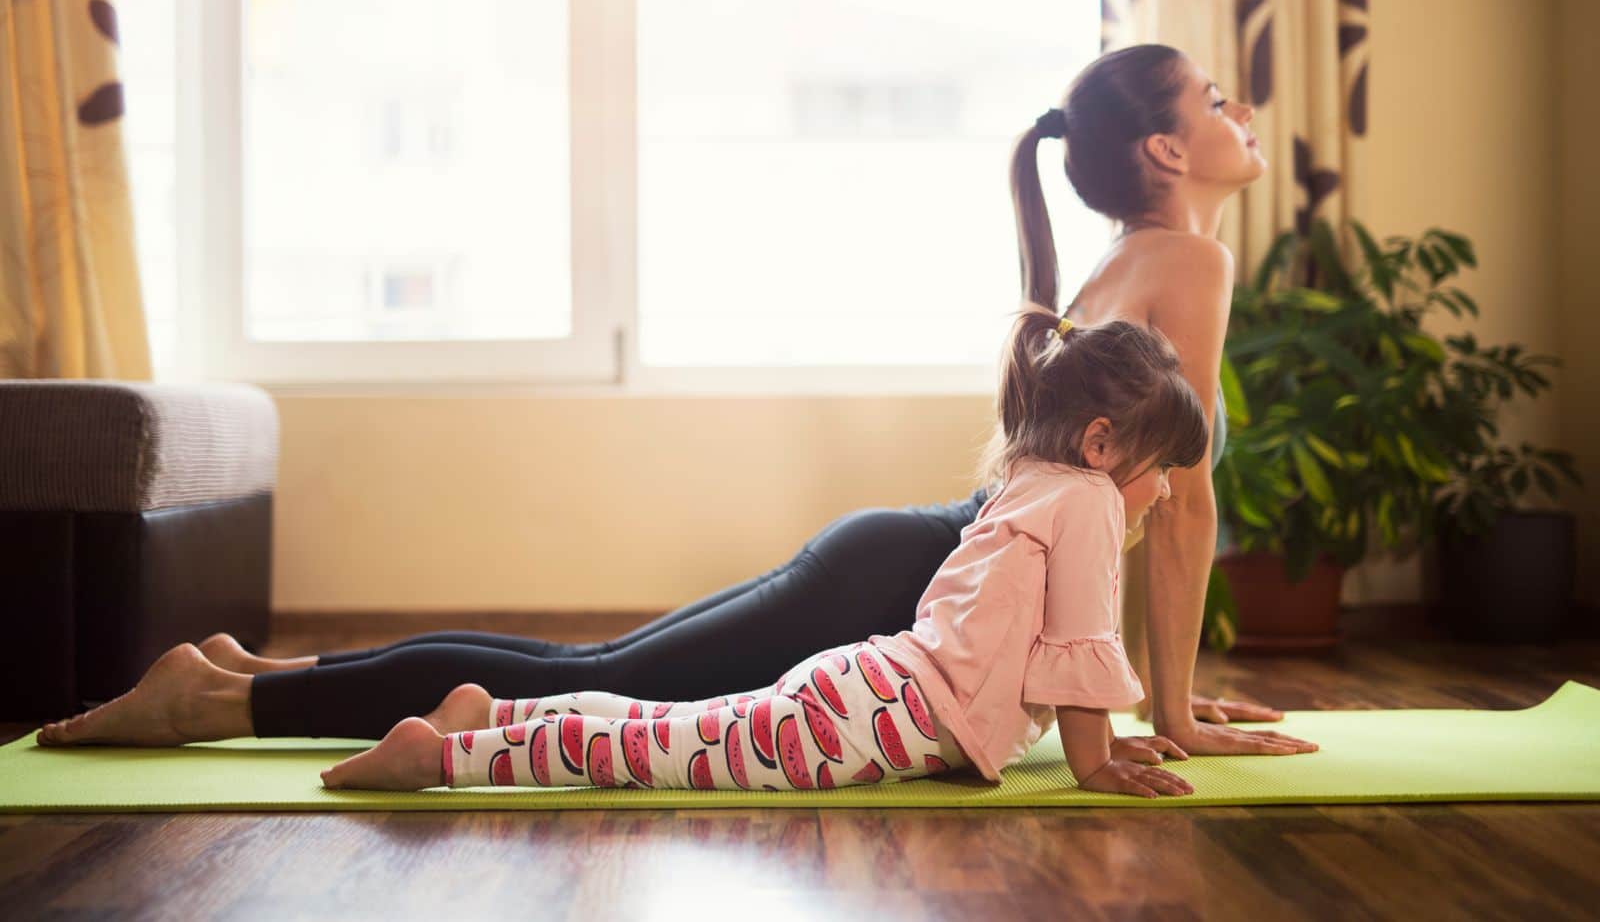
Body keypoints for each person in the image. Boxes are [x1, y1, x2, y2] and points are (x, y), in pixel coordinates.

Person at [35, 44, 1314, 761]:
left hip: (904, 550)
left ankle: (243, 671)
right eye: (1213, 100)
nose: (1238, 113)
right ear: (1162, 149)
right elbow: (1181, 510)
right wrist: (1178, 711)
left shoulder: (1120, 262)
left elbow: (1123, 519)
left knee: (588, 668)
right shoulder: (1187, 260)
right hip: (904, 575)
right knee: (603, 677)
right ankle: (215, 702)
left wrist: (1163, 694)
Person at [317, 316, 1272, 795]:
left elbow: (1040, 654)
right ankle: (444, 755)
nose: (1167, 491)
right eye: (1162, 470)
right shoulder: (1092, 503)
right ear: (1103, 445)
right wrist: (1098, 766)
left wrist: (1107, 739)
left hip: (867, 684)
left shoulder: (1032, 475)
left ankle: (498, 708)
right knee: (657, 752)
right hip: (872, 718)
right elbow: (1076, 650)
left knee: (675, 719)